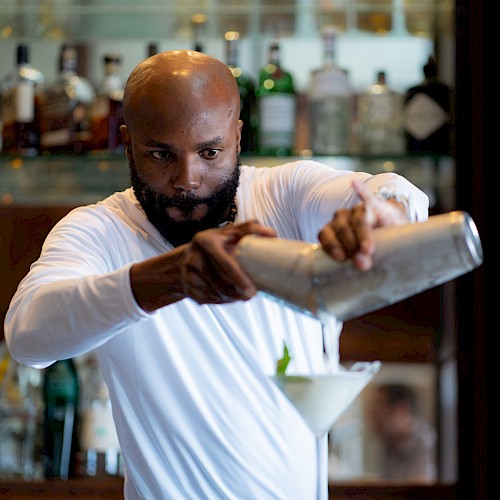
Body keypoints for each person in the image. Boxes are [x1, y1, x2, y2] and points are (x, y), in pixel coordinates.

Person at [4, 50, 429, 499]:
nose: (188, 179)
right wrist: (171, 277)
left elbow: (391, 191)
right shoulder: (100, 230)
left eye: (209, 151)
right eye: (160, 154)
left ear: (238, 137)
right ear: (127, 143)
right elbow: (28, 335)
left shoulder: (282, 195)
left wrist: (385, 216)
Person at [369, 383, 437, 484]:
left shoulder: (427, 444)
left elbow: (421, 493)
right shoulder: (391, 443)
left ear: (401, 409)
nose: (371, 413)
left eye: (378, 405)